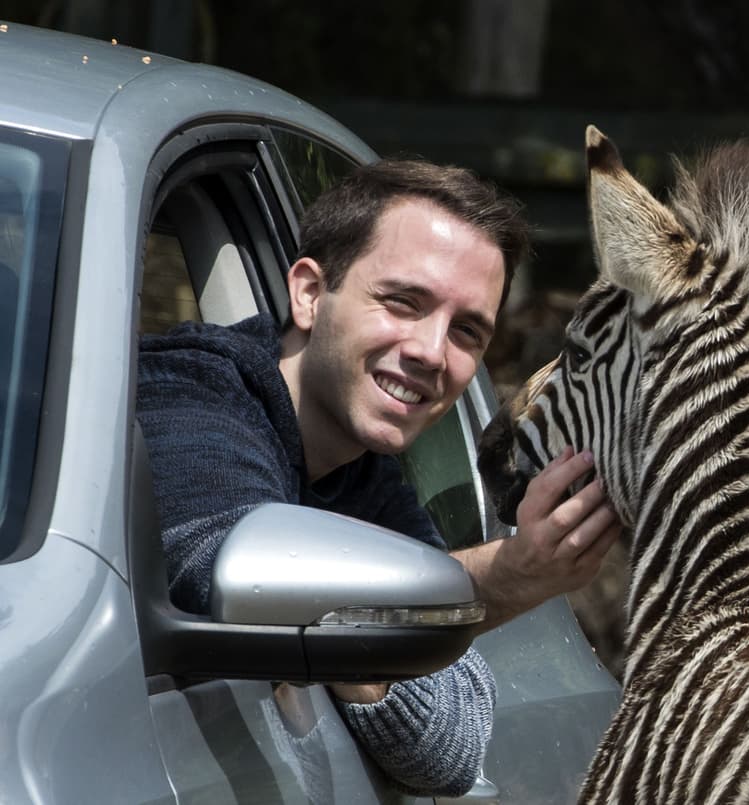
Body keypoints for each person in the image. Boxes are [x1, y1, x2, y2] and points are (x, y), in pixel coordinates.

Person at [136, 159, 621, 796]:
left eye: (467, 331)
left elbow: (456, 746)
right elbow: (228, 572)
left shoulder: (364, 481)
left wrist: (351, 628)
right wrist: (508, 574)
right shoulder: (187, 393)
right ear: (309, 294)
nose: (431, 351)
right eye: (402, 302)